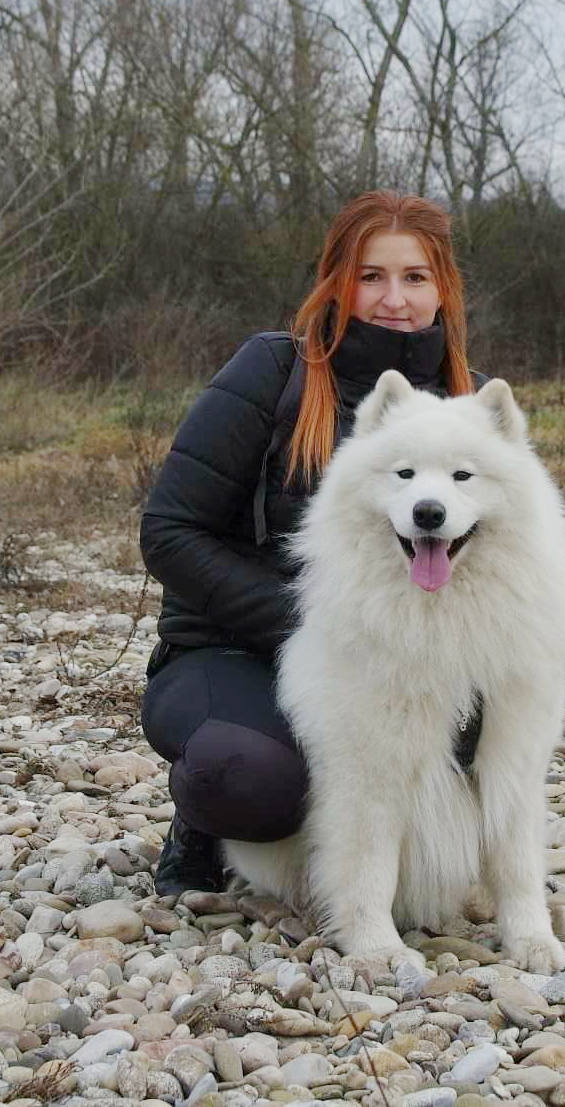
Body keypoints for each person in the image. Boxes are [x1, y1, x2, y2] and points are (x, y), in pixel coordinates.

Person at [139, 189, 485, 897]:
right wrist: (318, 624)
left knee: (520, 696)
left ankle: (413, 861)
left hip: (405, 661)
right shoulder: (272, 372)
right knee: (248, 775)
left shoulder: (470, 401)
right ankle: (202, 827)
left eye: (415, 277)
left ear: (443, 288)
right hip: (233, 652)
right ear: (336, 281)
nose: (394, 299)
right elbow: (169, 531)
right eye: (370, 276)